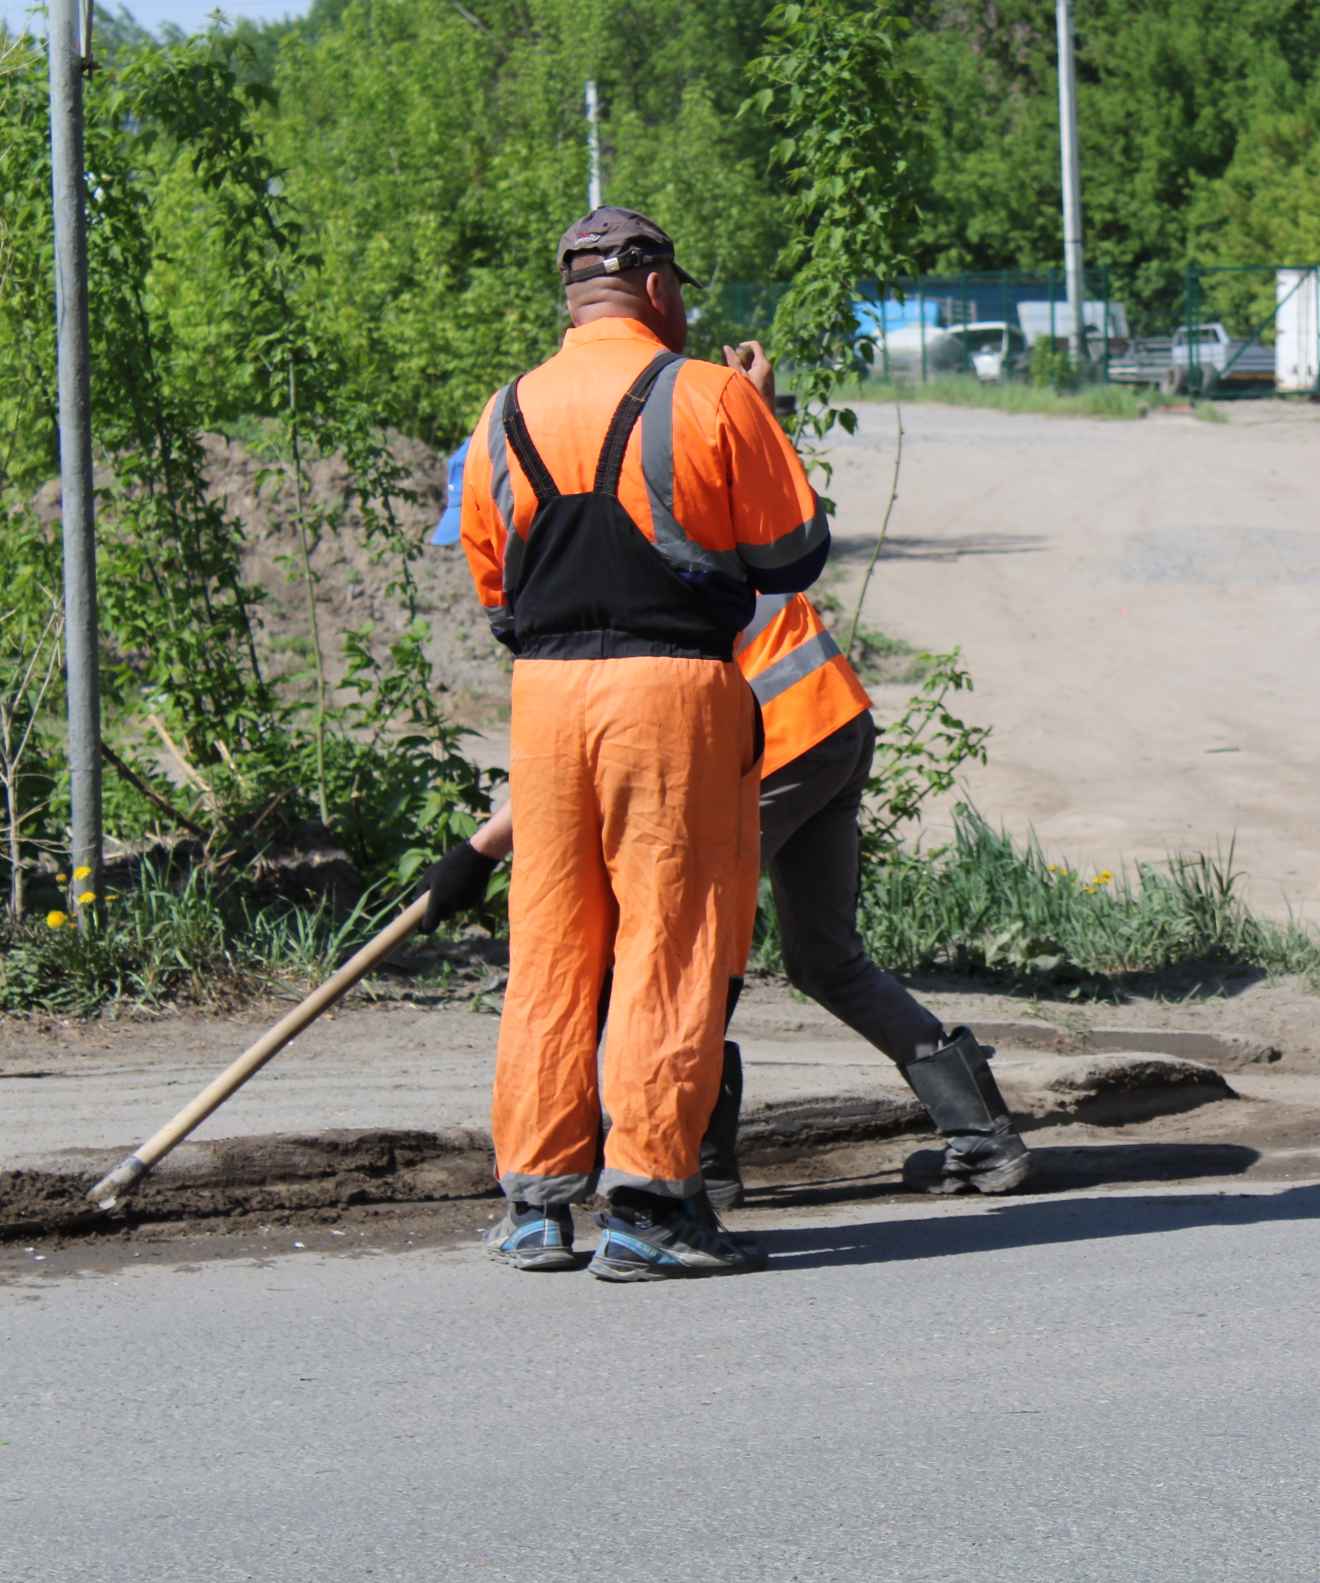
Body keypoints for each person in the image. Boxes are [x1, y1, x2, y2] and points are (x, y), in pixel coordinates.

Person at [427, 348, 1032, 1217]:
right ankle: (985, 1138)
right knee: (826, 958)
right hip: (831, 721)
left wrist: (478, 852)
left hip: (768, 744)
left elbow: (599, 744)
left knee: (680, 952)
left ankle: (699, 1172)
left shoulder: (591, 568)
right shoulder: (661, 513)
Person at [436, 206, 827, 1283]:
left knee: (551, 943)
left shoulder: (503, 409)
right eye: (679, 294)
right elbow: (792, 554)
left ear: (572, 296)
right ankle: (650, 1207)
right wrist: (761, 416)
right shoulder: (709, 394)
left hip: (545, 698)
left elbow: (492, 586)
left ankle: (535, 1205)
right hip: (672, 692)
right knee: (672, 941)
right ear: (656, 290)